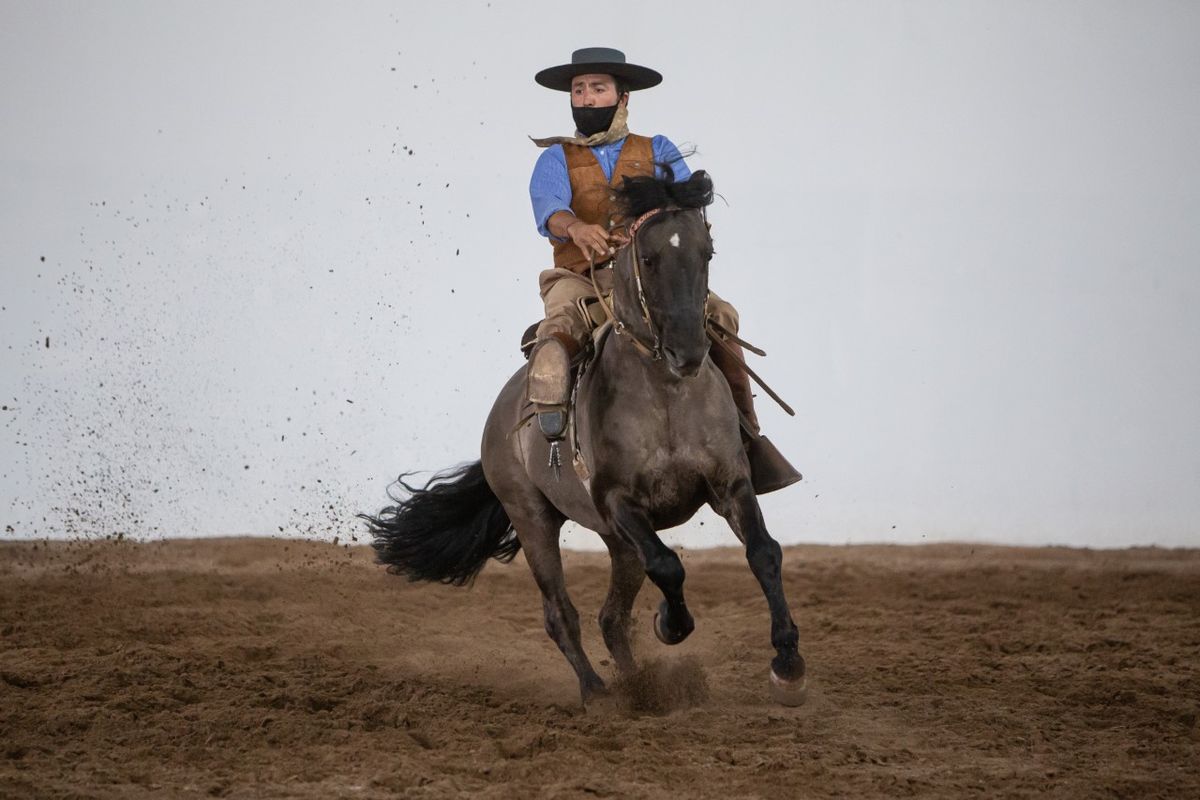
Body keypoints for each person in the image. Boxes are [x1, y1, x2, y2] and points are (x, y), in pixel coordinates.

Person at [526, 47, 799, 493]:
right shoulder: (555, 159)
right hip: (580, 279)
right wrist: (576, 228)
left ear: (623, 97)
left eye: (598, 88)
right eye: (579, 91)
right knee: (555, 337)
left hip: (655, 277)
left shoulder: (658, 149)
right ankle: (554, 447)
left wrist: (644, 230)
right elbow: (550, 210)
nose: (587, 98)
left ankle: (747, 437)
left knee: (723, 315)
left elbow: (684, 204)